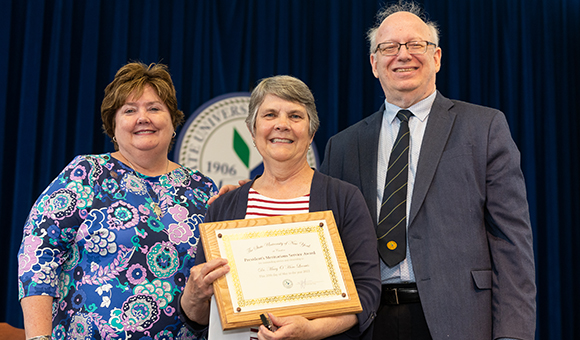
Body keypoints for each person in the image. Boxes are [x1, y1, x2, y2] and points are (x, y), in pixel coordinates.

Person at [319, 2, 536, 340]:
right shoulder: (343, 146)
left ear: (436, 57)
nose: (402, 55)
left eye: (415, 44)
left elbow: (511, 240)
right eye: (389, 47)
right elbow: (324, 241)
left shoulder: (484, 127)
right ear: (374, 64)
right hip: (368, 325)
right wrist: (256, 192)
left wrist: (513, 334)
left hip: (460, 320)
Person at [17, 62, 218, 339]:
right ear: (113, 126)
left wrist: (245, 202)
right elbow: (38, 255)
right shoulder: (86, 174)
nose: (143, 117)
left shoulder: (203, 188)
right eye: (130, 110)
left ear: (173, 121)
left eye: (154, 108)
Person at [179, 75, 381, 340]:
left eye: (295, 116)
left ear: (311, 133)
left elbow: (367, 292)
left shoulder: (343, 199)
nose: (282, 125)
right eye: (270, 114)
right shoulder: (223, 208)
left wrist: (310, 330)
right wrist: (193, 298)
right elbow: (204, 317)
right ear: (252, 131)